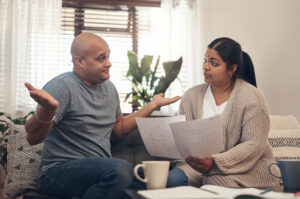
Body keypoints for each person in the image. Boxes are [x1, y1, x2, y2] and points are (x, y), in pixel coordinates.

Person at [24, 32, 181, 199]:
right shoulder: (61, 87)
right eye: (101, 59)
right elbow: (33, 138)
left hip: (102, 173)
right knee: (120, 170)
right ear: (79, 61)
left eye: (108, 57)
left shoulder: (110, 89)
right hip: (59, 172)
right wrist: (47, 110)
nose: (109, 64)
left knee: (161, 183)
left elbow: (119, 129)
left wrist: (152, 105)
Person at [168, 37, 281, 190]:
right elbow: (184, 138)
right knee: (172, 180)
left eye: (214, 63)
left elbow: (253, 145)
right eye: (205, 60)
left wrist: (214, 163)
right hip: (199, 167)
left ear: (232, 68)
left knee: (215, 184)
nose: (206, 67)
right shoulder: (191, 96)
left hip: (247, 168)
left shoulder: (252, 97)